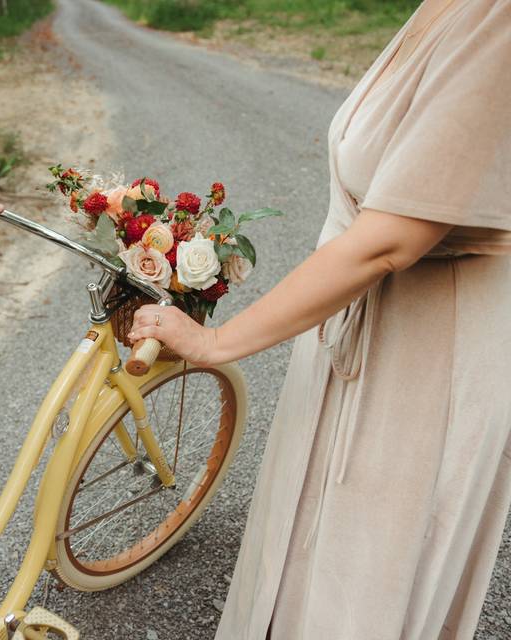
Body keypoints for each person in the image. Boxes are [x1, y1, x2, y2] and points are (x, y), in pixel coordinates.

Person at [128, 1, 510, 638]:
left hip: (425, 350)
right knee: (308, 545)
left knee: (364, 575)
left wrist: (216, 340)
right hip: (368, 322)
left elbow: (391, 239)